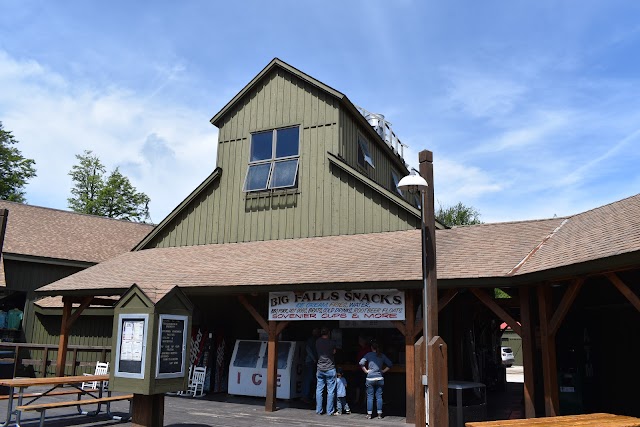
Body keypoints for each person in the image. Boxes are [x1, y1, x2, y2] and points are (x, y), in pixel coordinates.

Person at [359, 340, 392, 419]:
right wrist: (383, 371)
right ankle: (379, 414)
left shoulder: (368, 355)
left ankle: (369, 414)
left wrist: (366, 371)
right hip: (380, 377)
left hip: (370, 378)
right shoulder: (382, 355)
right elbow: (390, 364)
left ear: (371, 347)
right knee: (379, 396)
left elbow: (361, 363)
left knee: (370, 396)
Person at [315, 327, 336, 416]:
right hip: (330, 367)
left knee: (319, 389)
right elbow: (334, 352)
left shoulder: (317, 341)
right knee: (330, 391)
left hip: (320, 367)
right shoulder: (331, 342)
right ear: (329, 333)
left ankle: (319, 410)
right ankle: (329, 411)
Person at [301, 327, 319, 403]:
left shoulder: (315, 340)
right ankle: (306, 396)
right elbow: (308, 349)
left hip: (312, 361)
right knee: (309, 379)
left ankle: (309, 395)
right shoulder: (312, 340)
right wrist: (314, 358)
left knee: (311, 379)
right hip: (311, 361)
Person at [354, 335, 371, 406]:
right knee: (358, 385)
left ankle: (365, 400)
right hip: (359, 369)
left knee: (366, 386)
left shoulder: (368, 349)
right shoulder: (359, 348)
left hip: (366, 369)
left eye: (360, 339)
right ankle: (357, 399)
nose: (359, 341)